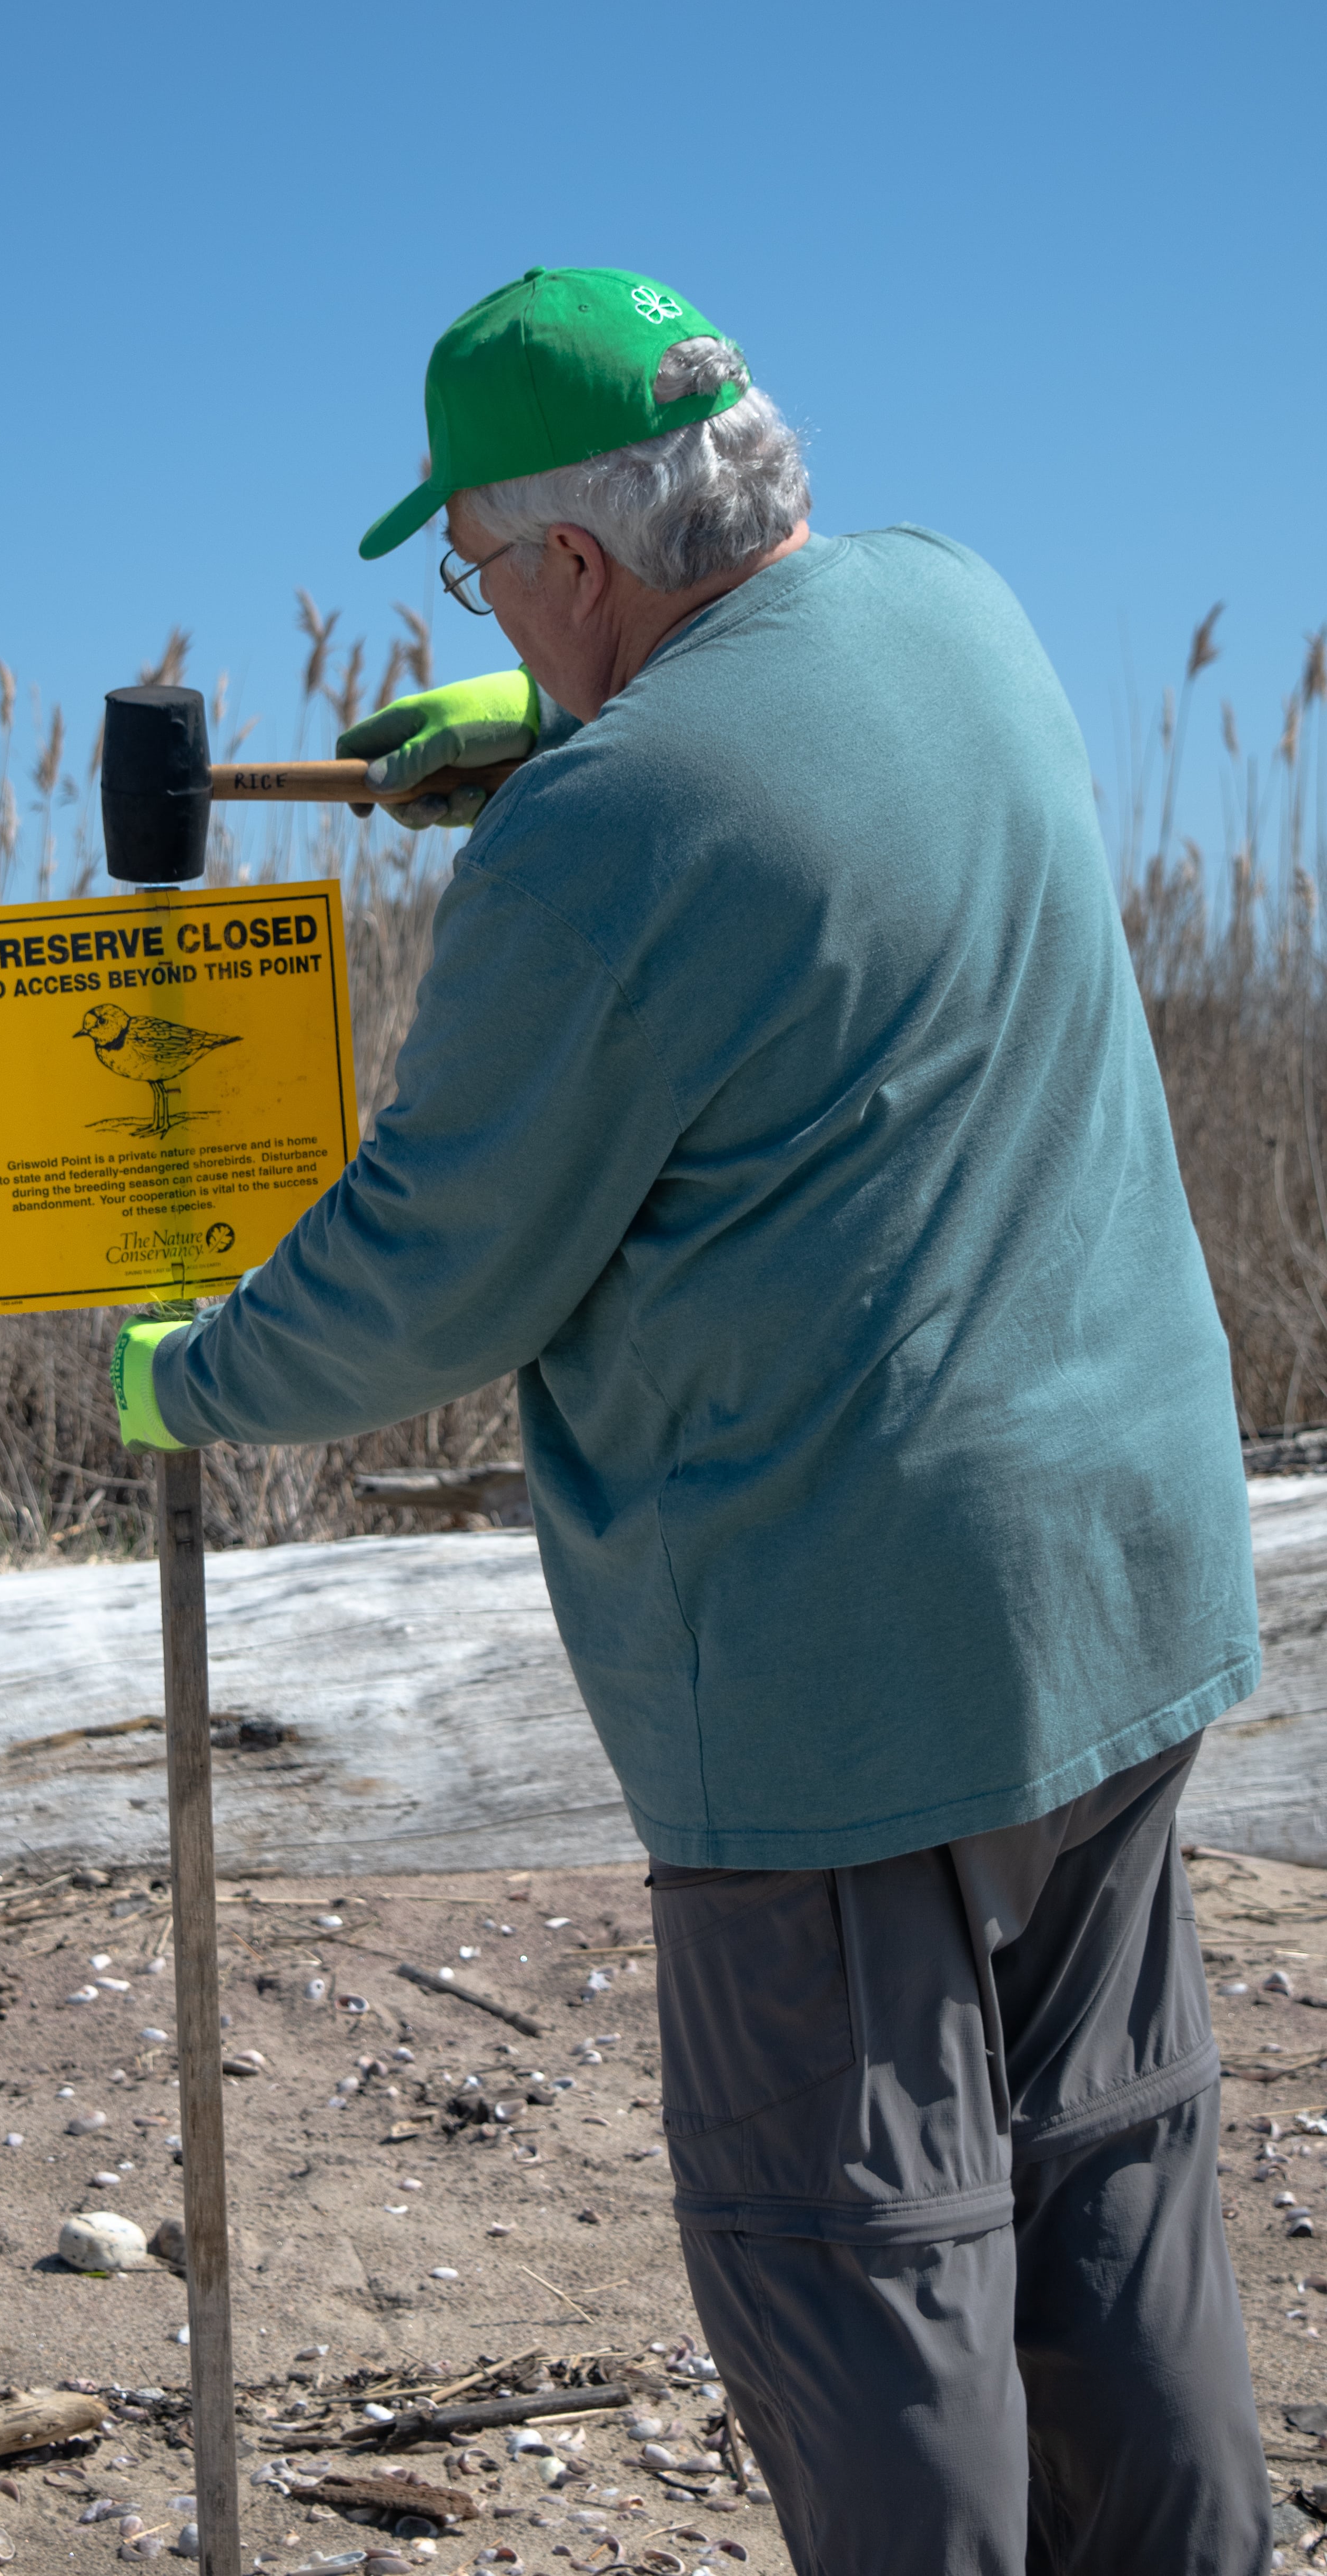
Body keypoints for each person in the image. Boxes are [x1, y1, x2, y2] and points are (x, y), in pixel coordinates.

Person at [107, 265, 1268, 2572]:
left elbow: (436, 1266)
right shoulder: (961, 608)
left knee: (867, 2257)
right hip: (1127, 1584)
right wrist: (552, 737)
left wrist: (192, 1366)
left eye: (481, 568)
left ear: (577, 565)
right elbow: (790, 778)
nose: (489, 608)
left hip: (839, 1682)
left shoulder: (603, 836)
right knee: (1113, 2172)